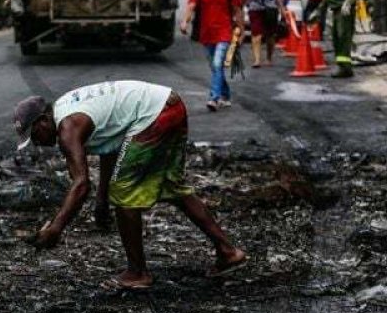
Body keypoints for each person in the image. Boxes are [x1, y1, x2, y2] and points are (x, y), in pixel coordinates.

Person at [14, 81, 248, 289]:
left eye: (34, 135)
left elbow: (81, 184)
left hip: (153, 114)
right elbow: (110, 149)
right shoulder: (67, 109)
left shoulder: (68, 128)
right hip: (169, 104)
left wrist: (56, 228)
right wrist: (101, 198)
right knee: (172, 186)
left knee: (123, 191)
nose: (37, 143)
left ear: (44, 120)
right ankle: (228, 251)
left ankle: (137, 272)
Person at [179, 0, 244, 111]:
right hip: (206, 33)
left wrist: (241, 30)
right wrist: (184, 21)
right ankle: (225, 94)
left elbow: (237, 10)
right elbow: (191, 6)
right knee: (215, 67)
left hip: (224, 32)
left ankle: (213, 98)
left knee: (217, 64)